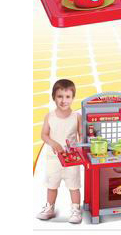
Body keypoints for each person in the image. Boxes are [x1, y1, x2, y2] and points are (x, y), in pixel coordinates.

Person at [36, 79, 82, 223]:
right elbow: (44, 135)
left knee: (74, 185)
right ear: (54, 97)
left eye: (67, 97)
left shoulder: (77, 116)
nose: (63, 100)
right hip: (54, 159)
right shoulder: (49, 116)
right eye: (60, 96)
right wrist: (53, 143)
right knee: (51, 185)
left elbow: (82, 136)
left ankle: (76, 210)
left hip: (72, 159)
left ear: (73, 98)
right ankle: (49, 208)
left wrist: (79, 148)